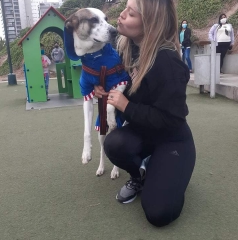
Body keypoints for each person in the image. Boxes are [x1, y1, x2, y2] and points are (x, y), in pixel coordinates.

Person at [94, 0, 196, 227]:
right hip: (142, 132)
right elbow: (111, 81)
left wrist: (126, 106)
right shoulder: (122, 49)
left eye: (130, 13)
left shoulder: (167, 61)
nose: (120, 15)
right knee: (114, 143)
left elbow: (172, 120)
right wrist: (99, 87)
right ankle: (140, 175)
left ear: (149, 23)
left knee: (159, 213)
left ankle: (168, 171)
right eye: (124, 8)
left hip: (173, 139)